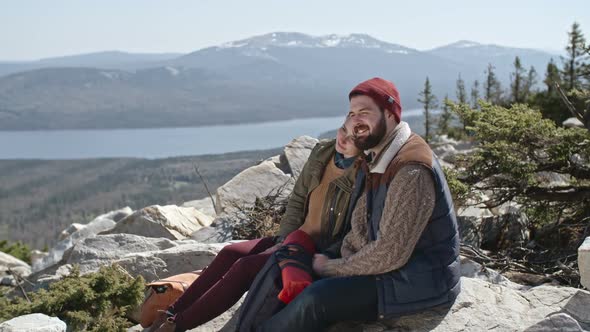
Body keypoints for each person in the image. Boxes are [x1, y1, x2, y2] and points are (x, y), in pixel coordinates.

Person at [258, 77, 461, 332]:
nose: (355, 120)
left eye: (364, 112)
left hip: (420, 281)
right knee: (287, 265)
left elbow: (390, 253)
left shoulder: (411, 170)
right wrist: (337, 254)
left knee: (316, 299)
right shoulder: (378, 155)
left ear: (390, 115)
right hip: (391, 269)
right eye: (352, 113)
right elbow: (362, 224)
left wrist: (332, 267)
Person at [151, 123, 361, 332]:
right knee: (230, 252)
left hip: (316, 251)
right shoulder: (323, 152)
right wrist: (283, 241)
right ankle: (171, 312)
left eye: (353, 137)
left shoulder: (362, 173)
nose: (343, 138)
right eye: (343, 129)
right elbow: (297, 201)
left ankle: (177, 325)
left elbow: (351, 232)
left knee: (246, 267)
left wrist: (291, 250)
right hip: (294, 238)